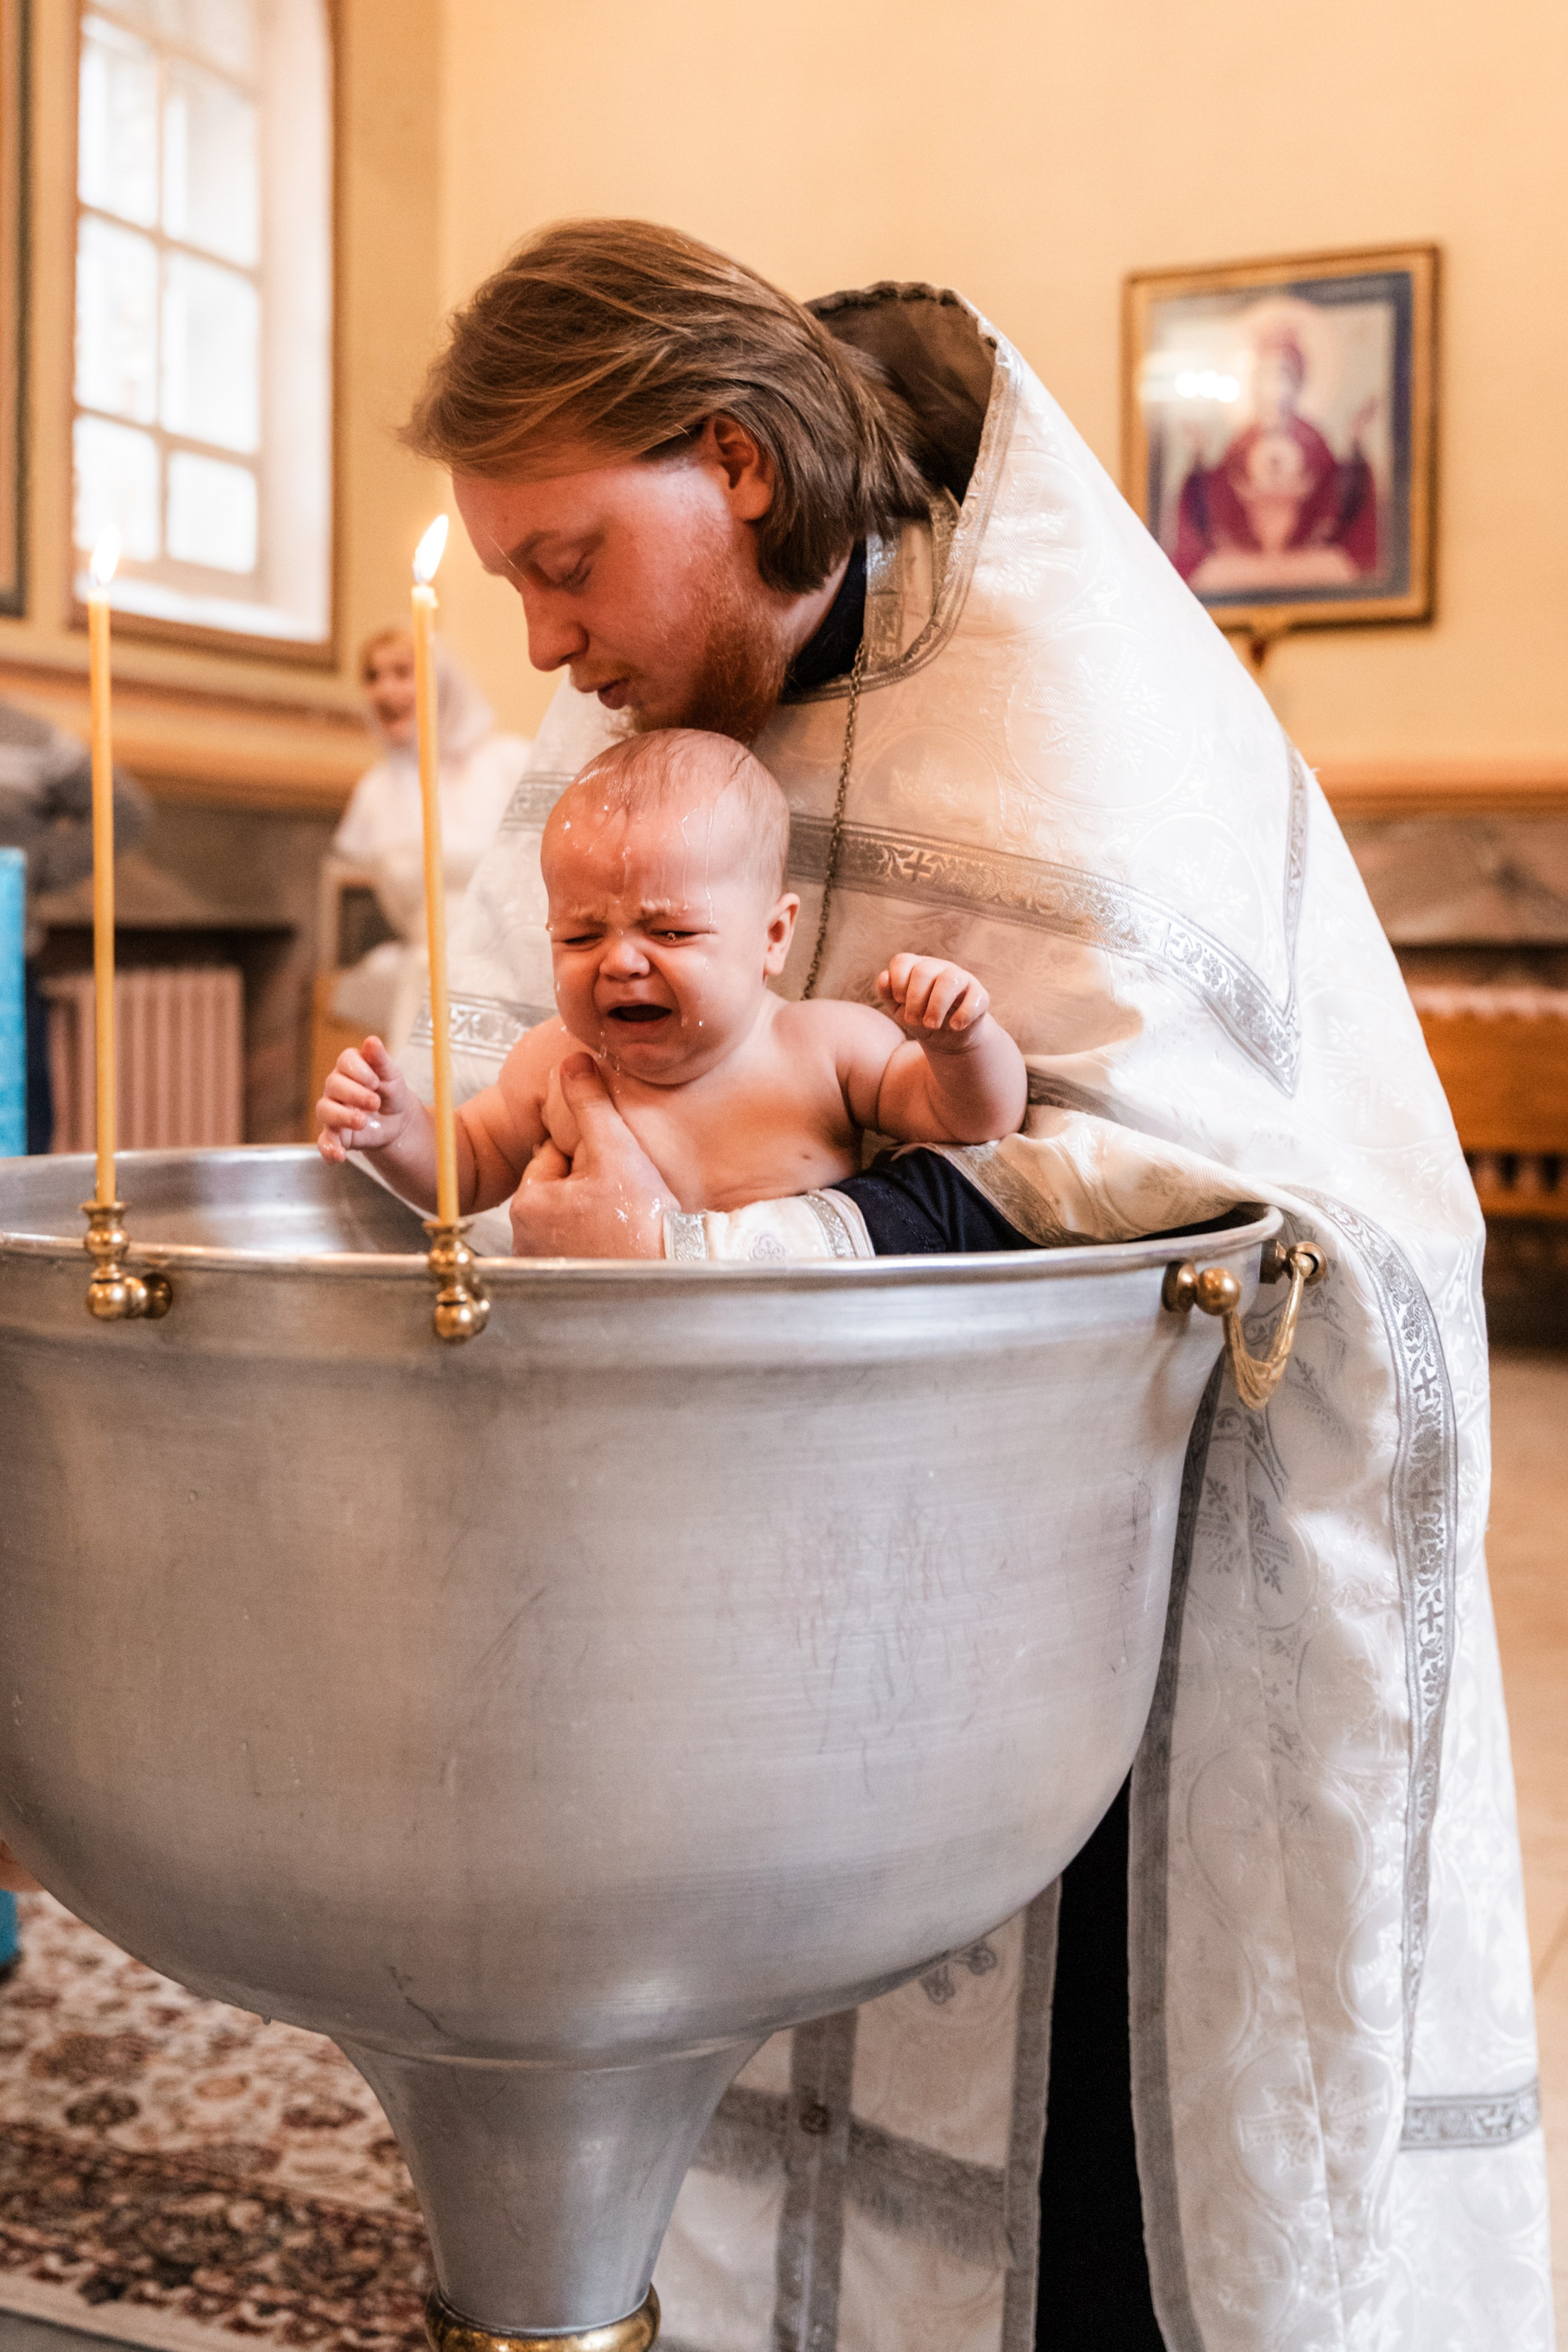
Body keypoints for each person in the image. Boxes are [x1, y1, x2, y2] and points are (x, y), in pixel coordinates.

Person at [390, 221, 1547, 2349]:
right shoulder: (630, 750)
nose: (543, 642)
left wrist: (740, 1252)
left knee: (1074, 2188)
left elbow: (1219, 1183)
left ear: (734, 462)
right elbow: (511, 1089)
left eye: (564, 560)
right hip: (739, 1604)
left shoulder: (1058, 705)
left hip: (1090, 1592)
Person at [316, 729, 1027, 1239]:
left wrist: (960, 1042)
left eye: (672, 933)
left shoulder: (822, 1047)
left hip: (774, 1360)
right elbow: (463, 1172)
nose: (620, 963)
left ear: (772, 938)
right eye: (580, 936)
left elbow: (974, 1121)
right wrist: (398, 1126)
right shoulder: (551, 1064)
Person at [328, 627, 528, 1054]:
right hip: (425, 978)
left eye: (403, 672)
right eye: (372, 675)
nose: (386, 690)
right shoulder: (376, 791)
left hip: (516, 973)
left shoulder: (507, 763)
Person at [0, 701, 149, 1152]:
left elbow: (124, 808)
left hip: (5, 967)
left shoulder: (31, 737)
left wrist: (34, 870)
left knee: (20, 1137)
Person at [1174, 322, 1380, 595]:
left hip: (1308, 556)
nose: (1274, 386)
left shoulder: (1314, 441)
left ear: (1298, 381)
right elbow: (1215, 497)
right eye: (1265, 376)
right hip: (1241, 557)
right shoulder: (1240, 443)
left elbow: (1338, 493)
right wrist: (1198, 459)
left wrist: (1355, 448)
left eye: (1283, 375)